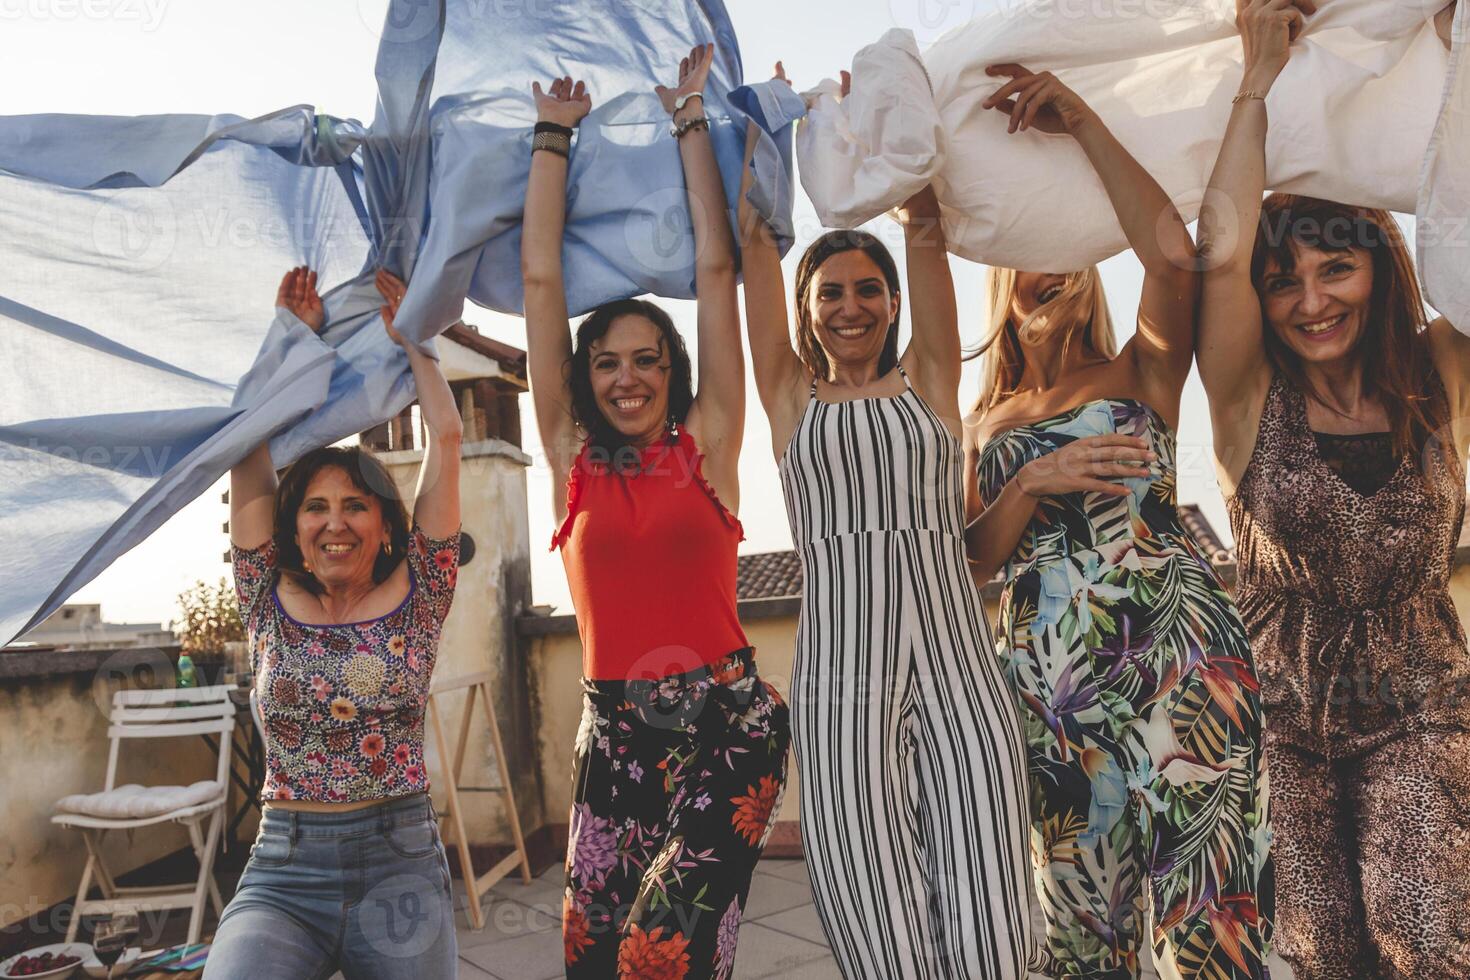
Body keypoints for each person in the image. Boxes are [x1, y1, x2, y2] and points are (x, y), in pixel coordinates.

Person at [962, 65, 1273, 978]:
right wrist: (1033, 482)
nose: (1050, 265)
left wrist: (1080, 119)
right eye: (1033, 249)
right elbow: (973, 559)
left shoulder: (1142, 372)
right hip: (1051, 693)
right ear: (1004, 276)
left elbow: (1177, 255)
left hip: (1177, 663)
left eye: (1070, 247)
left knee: (1207, 923)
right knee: (1078, 941)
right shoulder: (984, 421)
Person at [737, 63, 1033, 980]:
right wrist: (770, 121)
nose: (851, 305)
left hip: (957, 661)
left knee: (987, 876)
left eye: (868, 290)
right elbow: (753, 244)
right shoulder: (791, 398)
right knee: (867, 881)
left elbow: (926, 224)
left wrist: (896, 109)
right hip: (840, 669)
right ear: (808, 311)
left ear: (894, 302)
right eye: (831, 293)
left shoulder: (931, 381)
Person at [1195, 1, 1470, 976]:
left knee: (1428, 932)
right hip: (1280, 711)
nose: (1311, 300)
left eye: (1336, 267)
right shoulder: (1244, 395)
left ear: (1380, 270)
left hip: (1422, 696)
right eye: (1286, 280)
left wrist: (1453, 54)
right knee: (1319, 955)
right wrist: (1256, 77)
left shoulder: (1442, 368)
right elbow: (1219, 246)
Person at [521, 47, 791, 979]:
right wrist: (552, 138)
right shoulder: (572, 462)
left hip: (726, 722)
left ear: (671, 373)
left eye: (647, 360)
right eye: (607, 362)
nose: (627, 377)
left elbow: (717, 273)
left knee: (657, 955)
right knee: (593, 960)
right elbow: (541, 288)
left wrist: (689, 119)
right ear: (584, 381)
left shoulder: (708, 443)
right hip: (615, 735)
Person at [206, 265, 464, 979]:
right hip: (285, 872)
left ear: (386, 527)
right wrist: (290, 339)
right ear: (294, 529)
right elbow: (244, 442)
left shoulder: (425, 588)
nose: (334, 522)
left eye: (355, 505)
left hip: (400, 866)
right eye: (315, 507)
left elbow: (446, 436)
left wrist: (416, 343)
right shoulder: (262, 588)